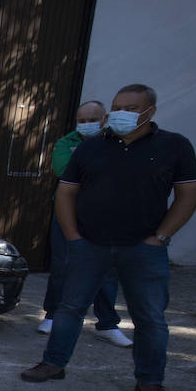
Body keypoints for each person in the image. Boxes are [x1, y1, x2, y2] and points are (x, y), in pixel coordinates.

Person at [22, 84, 196, 391]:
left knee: (150, 317)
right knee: (70, 308)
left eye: (131, 109)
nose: (120, 114)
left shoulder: (174, 146)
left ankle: (150, 381)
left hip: (144, 248)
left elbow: (187, 195)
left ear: (150, 112)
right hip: (90, 245)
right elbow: (66, 192)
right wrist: (74, 236)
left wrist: (160, 237)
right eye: (117, 108)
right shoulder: (90, 148)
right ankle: (53, 363)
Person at [38, 101, 130, 348]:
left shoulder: (120, 142)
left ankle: (107, 324)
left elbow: (123, 174)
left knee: (107, 271)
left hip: (105, 215)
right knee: (62, 265)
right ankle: (52, 315)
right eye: (82, 120)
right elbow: (63, 169)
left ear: (105, 119)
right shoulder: (65, 143)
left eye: (92, 120)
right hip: (68, 213)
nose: (87, 124)